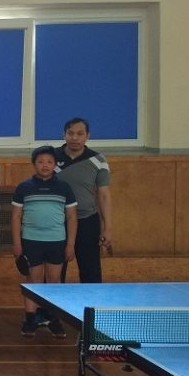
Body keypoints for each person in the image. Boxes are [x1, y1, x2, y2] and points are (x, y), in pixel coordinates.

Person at [12, 146, 77, 337]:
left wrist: (70, 244)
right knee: (33, 280)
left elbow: (72, 217)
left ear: (55, 164)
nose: (45, 165)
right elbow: (15, 217)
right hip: (31, 241)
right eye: (40, 162)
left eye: (49, 162)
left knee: (54, 281)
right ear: (34, 164)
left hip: (56, 241)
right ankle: (30, 319)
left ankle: (54, 319)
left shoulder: (64, 187)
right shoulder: (24, 187)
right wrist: (17, 243)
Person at [54, 117, 112, 284]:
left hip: (87, 222)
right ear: (64, 135)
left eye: (80, 134)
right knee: (54, 274)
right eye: (70, 133)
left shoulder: (98, 160)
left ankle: (91, 302)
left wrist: (108, 228)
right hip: (57, 222)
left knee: (91, 274)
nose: (75, 138)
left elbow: (104, 195)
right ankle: (52, 302)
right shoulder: (51, 157)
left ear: (88, 136)